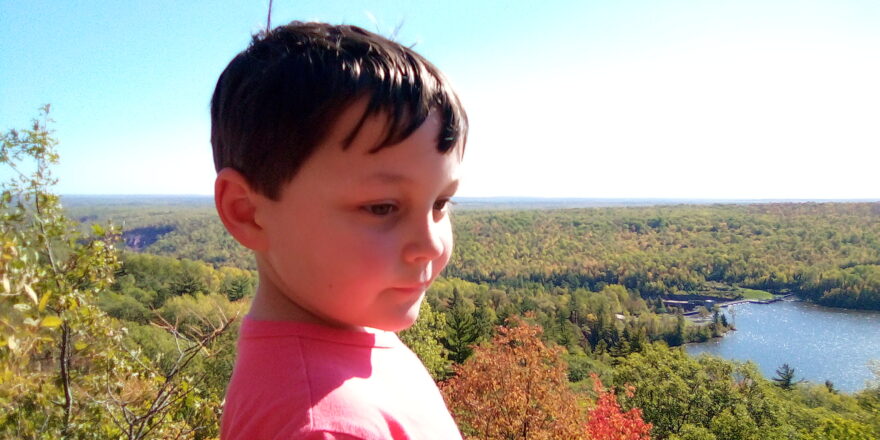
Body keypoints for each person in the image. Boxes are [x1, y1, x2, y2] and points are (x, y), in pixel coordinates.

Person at [211, 21, 467, 439]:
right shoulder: (323, 426)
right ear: (248, 212)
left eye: (440, 203)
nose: (429, 244)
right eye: (382, 207)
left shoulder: (355, 334)